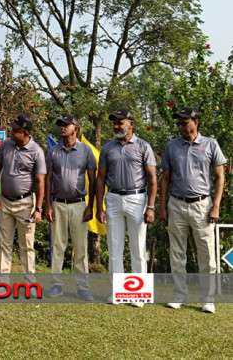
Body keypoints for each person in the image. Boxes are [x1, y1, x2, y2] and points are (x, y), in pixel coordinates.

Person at [160, 107, 226, 314]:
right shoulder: (172, 146)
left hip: (203, 205)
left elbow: (220, 177)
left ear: (196, 122)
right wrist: (162, 206)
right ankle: (179, 295)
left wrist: (216, 205)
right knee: (177, 253)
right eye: (178, 123)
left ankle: (208, 299)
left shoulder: (210, 144)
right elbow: (165, 179)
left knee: (206, 254)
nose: (181, 126)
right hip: (176, 204)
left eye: (184, 122)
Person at [96, 108, 157, 307]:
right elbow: (101, 178)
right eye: (114, 122)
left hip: (137, 199)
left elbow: (152, 179)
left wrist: (151, 207)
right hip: (113, 198)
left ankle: (138, 294)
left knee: (138, 249)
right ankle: (118, 292)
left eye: (120, 122)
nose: (115, 125)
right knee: (114, 249)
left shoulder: (143, 146)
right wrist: (99, 207)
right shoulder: (107, 149)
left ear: (131, 123)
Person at [44, 115, 96, 301]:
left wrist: (91, 207)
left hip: (79, 205)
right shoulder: (54, 151)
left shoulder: (86, 150)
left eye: (66, 125)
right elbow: (48, 179)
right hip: (58, 204)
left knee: (81, 247)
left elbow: (93, 180)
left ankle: (82, 288)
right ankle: (56, 286)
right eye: (61, 125)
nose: (62, 128)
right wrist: (47, 206)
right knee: (58, 246)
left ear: (76, 128)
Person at [0, 114, 46, 279]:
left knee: (26, 245)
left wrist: (38, 209)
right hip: (5, 201)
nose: (11, 132)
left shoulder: (37, 151)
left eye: (15, 130)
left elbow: (40, 182)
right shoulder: (6, 145)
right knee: (4, 243)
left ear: (25, 132)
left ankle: (29, 282)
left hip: (26, 204)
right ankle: (2, 281)